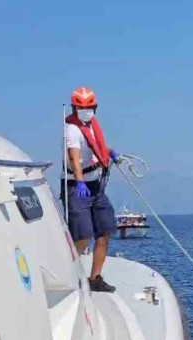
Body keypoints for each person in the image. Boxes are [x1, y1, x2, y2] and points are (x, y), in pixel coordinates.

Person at [62, 87, 122, 292]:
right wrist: (80, 182)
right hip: (77, 185)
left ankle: (95, 278)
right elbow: (74, 158)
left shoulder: (92, 126)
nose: (86, 111)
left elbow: (96, 146)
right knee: (83, 235)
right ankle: (65, 272)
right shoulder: (72, 130)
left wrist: (111, 153)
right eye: (82, 108)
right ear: (74, 109)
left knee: (105, 231)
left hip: (95, 185)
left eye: (89, 108)